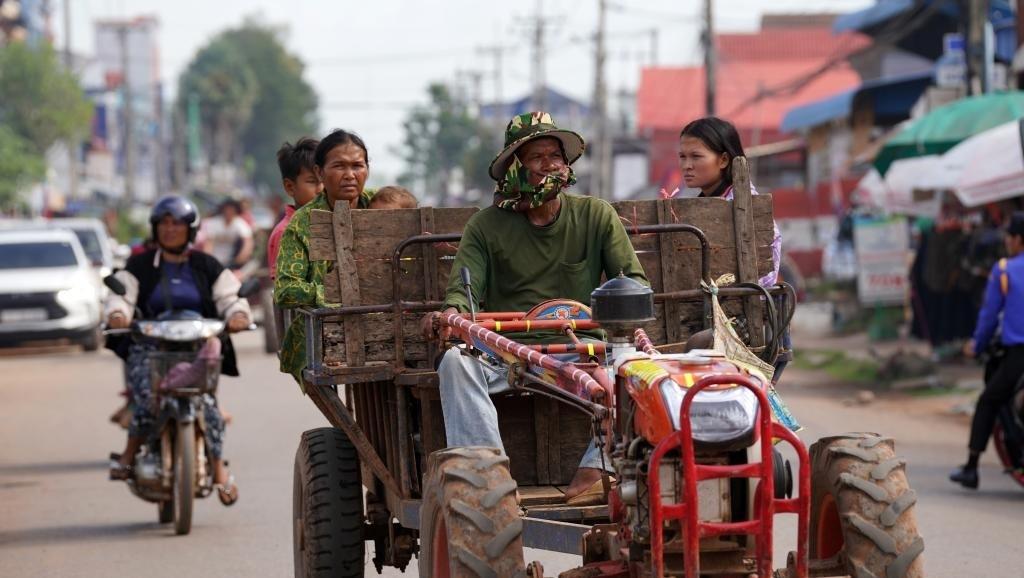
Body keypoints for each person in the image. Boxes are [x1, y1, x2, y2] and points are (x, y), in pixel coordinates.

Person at [420, 112, 647, 505]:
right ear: (514, 169)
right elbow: (461, 295)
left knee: (642, 376)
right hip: (508, 353)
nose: (550, 164)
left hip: (586, 349)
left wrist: (618, 310)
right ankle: (485, 478)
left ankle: (600, 469)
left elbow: (635, 285)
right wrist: (448, 317)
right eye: (536, 156)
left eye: (555, 155)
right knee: (456, 363)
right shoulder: (485, 226)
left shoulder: (596, 215)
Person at [104, 195, 251, 505]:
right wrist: (118, 314)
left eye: (178, 224)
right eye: (164, 224)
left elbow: (230, 297)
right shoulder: (139, 265)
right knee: (146, 401)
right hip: (150, 349)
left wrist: (237, 315)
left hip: (198, 350)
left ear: (191, 229)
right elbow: (122, 297)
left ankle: (218, 469)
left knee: (208, 405)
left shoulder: (207, 265)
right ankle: (129, 455)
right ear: (155, 229)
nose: (170, 230)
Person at [674, 116, 788, 379]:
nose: (687, 166)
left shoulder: (745, 205)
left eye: (696, 156)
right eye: (682, 157)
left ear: (723, 160)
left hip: (748, 321)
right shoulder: (703, 206)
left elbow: (766, 270)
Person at [274, 129, 377, 386]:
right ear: (320, 172)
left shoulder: (382, 206)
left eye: (357, 166)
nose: (350, 175)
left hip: (385, 326)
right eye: (339, 166)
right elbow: (285, 290)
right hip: (325, 337)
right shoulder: (301, 223)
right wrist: (335, 295)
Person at [950, 212, 1024, 489]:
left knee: (988, 400)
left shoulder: (1004, 270)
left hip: (1018, 354)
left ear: (1017, 239)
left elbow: (989, 316)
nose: (1007, 242)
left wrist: (976, 344)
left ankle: (971, 468)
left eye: (1009, 237)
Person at [267, 137, 323, 281]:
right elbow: (286, 293)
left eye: (324, 180)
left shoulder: (328, 223)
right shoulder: (285, 232)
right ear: (290, 187)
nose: (321, 189)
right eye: (312, 181)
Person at [201, 198, 255, 273]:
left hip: (230, 261)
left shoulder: (239, 223)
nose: (229, 212)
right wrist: (207, 259)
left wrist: (242, 256)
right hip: (213, 258)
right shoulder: (215, 222)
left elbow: (248, 241)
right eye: (227, 209)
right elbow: (209, 243)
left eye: (232, 210)